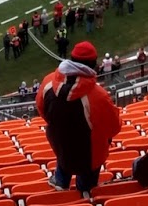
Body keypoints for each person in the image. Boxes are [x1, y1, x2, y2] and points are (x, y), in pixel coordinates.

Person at [36, 40, 120, 193]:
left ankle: (61, 183)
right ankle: (84, 195)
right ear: (93, 64)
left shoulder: (48, 81)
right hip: (90, 153)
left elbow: (41, 109)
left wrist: (61, 124)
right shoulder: (98, 96)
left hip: (60, 143)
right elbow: (114, 127)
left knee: (65, 153)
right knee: (86, 189)